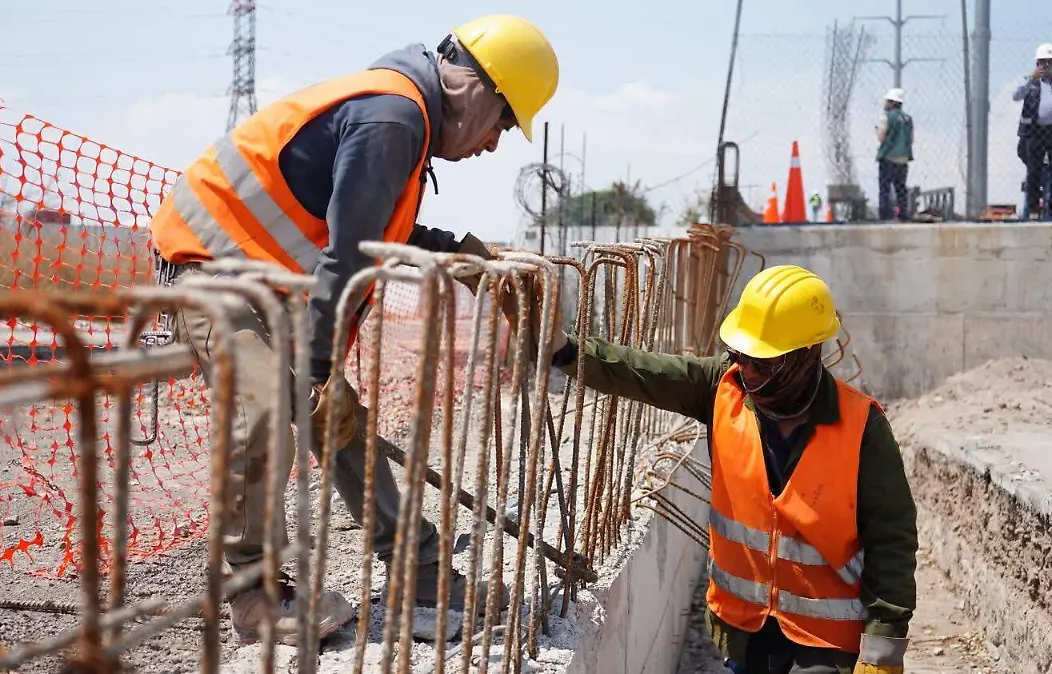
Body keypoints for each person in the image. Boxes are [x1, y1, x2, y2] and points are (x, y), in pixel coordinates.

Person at [147, 15, 559, 645]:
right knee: (264, 404)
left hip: (268, 275)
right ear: (481, 90)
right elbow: (348, 256)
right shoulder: (393, 118)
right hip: (210, 266)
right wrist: (315, 373)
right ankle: (255, 594)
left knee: (338, 421)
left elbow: (370, 229)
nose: (496, 143)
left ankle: (416, 574)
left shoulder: (404, 120)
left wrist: (457, 254)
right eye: (505, 122)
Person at [525, 265, 917, 674]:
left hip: (825, 644)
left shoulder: (862, 427)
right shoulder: (721, 389)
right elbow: (639, 370)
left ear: (806, 355)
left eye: (762, 363)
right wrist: (563, 350)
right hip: (744, 634)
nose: (746, 369)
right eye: (740, 355)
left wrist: (882, 650)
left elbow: (893, 538)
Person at [1014, 43, 1052, 220]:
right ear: (1037, 64)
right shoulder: (1029, 81)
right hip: (1034, 132)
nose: (1046, 66)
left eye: (1049, 62)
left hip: (1050, 131)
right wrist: (1031, 79)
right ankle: (1033, 209)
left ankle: (1049, 209)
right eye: (1043, 62)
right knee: (1033, 171)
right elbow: (1016, 96)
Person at [875, 88, 914, 222]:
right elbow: (911, 139)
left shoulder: (886, 117)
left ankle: (885, 214)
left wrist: (877, 131)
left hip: (888, 157)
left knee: (885, 188)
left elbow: (881, 137)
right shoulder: (908, 119)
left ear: (892, 102)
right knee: (901, 188)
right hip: (903, 158)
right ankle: (903, 214)